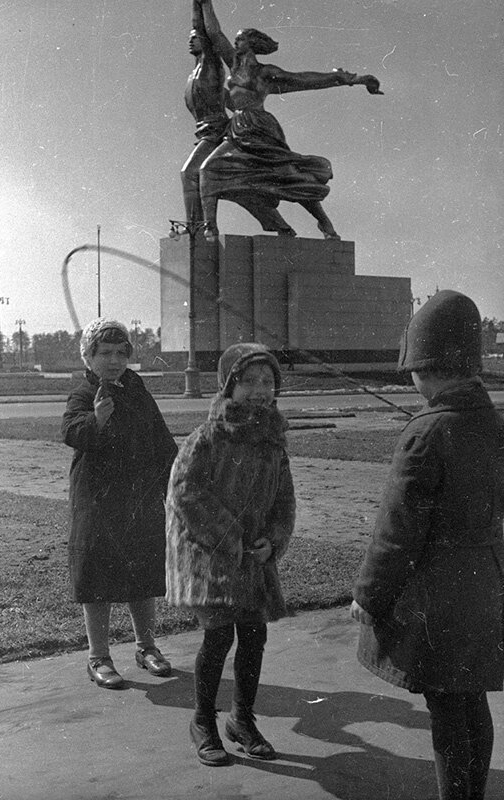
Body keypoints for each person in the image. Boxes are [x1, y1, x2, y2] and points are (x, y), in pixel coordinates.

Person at [350, 290, 504, 800]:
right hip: (484, 582)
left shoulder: (424, 433)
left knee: (445, 709)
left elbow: (396, 533)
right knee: (471, 700)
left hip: (437, 594)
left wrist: (369, 597)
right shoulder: (492, 423)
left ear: (425, 369)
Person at [165, 342, 296, 765]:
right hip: (212, 558)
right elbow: (185, 492)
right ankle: (203, 720)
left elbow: (284, 501)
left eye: (268, 381)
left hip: (253, 560)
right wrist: (231, 538)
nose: (260, 390)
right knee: (219, 635)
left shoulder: (273, 443)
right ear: (229, 386)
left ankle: (242, 718)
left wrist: (272, 540)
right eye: (249, 382)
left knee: (254, 635)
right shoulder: (207, 438)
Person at [197, 0, 382, 242]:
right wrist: (205, 4)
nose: (235, 42)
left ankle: (324, 222)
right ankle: (210, 227)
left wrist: (347, 78)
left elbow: (304, 79)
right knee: (208, 169)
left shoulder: (265, 72)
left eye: (240, 39)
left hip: (260, 128)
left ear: (251, 45)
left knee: (288, 176)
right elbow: (214, 33)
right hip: (237, 129)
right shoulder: (233, 65)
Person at [62, 318, 178, 689]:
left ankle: (146, 647)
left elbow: (160, 438)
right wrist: (96, 419)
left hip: (138, 499)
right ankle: (98, 656)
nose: (113, 360)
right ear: (89, 356)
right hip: (97, 501)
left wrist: (174, 481)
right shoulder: (84, 392)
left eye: (120, 352)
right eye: (104, 353)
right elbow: (70, 431)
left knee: (142, 574)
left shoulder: (137, 388)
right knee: (97, 576)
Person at [181, 0, 296, 235]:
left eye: (195, 37)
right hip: (208, 131)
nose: (190, 39)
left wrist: (203, 5)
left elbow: (208, 29)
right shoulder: (196, 69)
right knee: (240, 187)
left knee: (192, 172)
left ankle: (198, 228)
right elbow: (199, 27)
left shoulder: (211, 62)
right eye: (190, 36)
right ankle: (279, 224)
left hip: (219, 130)